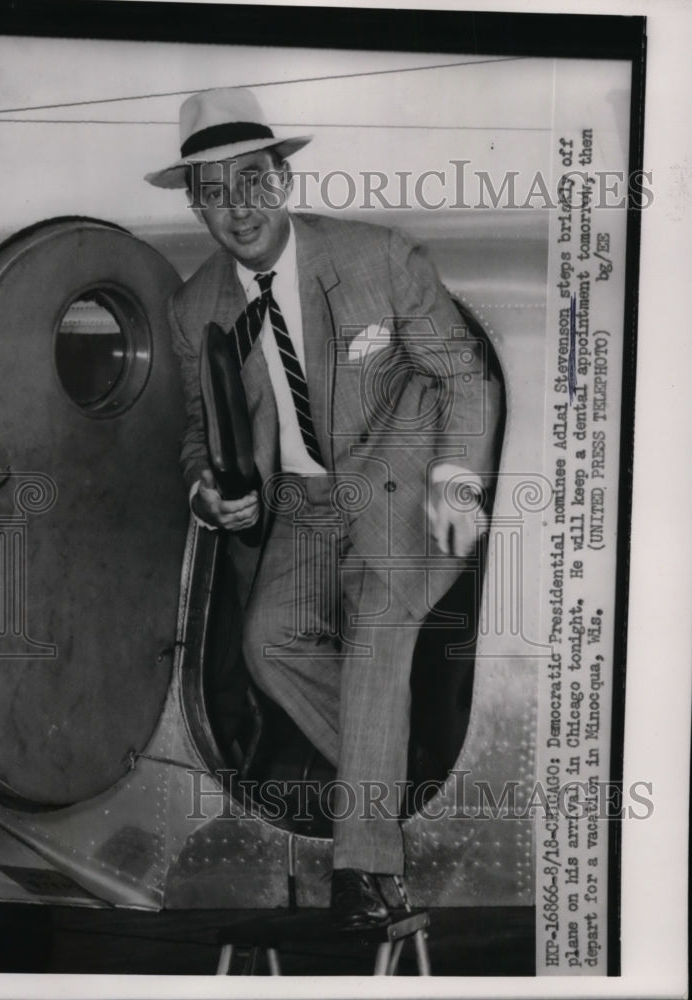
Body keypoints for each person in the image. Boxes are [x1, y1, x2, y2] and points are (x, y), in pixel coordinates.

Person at [147, 87, 503, 929]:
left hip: (402, 475)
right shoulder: (195, 305)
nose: (240, 207)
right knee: (266, 641)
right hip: (305, 504)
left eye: (254, 179)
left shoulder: (379, 256)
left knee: (381, 618)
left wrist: (456, 483)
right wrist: (208, 491)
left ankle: (365, 876)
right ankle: (386, 771)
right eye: (215, 189)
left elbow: (464, 375)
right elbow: (201, 432)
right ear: (195, 203)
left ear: (283, 178)